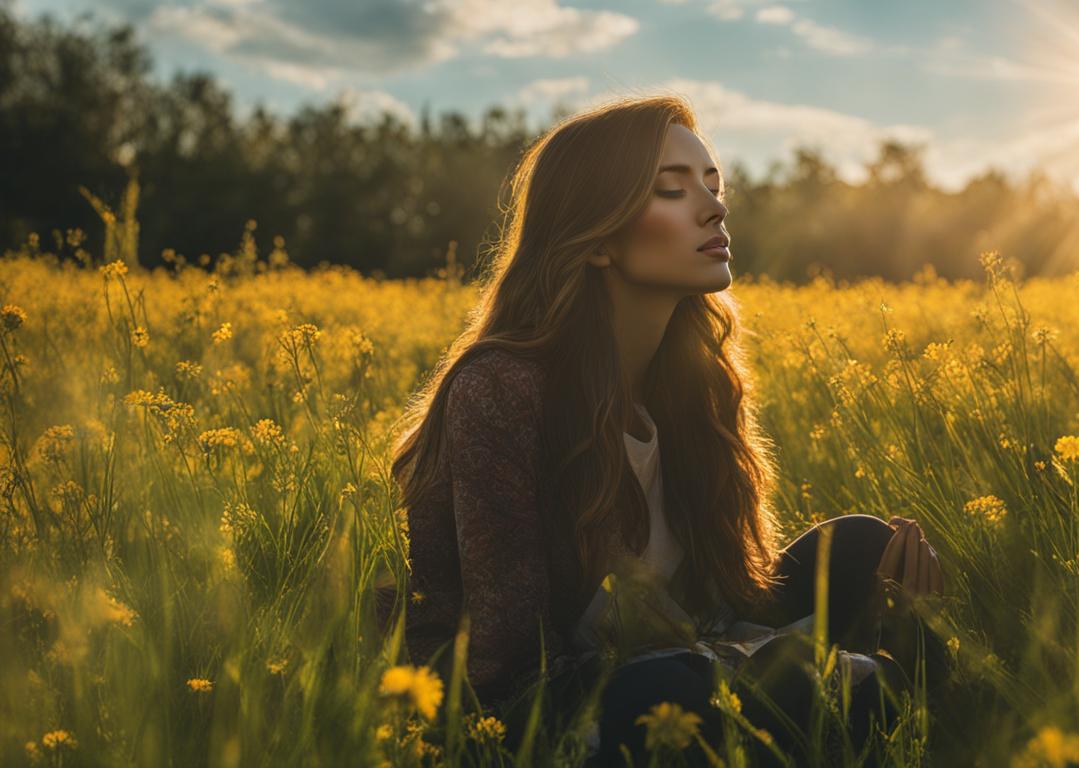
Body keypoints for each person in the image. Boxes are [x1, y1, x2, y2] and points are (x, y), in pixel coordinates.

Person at [387, 94, 946, 766]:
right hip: (559, 705)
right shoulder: (501, 389)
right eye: (673, 190)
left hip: (692, 658)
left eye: (713, 185)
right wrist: (723, 671)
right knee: (665, 693)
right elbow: (510, 665)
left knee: (865, 546)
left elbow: (733, 593)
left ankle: (854, 696)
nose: (714, 207)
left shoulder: (690, 384)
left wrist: (884, 596)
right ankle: (850, 700)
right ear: (596, 238)